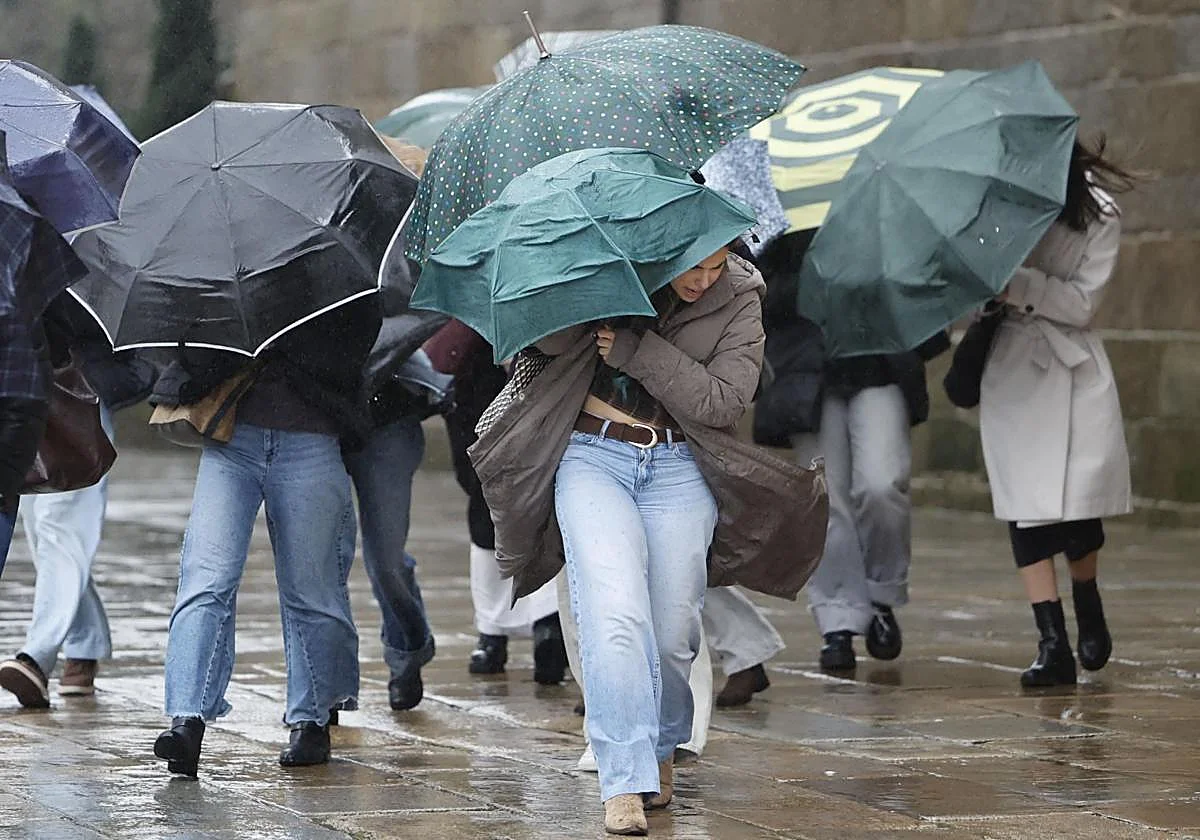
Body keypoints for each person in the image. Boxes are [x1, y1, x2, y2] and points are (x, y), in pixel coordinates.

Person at [471, 245, 824, 835]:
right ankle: (624, 776)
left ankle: (661, 745)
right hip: (590, 456)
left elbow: (723, 401)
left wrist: (639, 351)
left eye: (716, 265)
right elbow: (537, 349)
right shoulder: (604, 268)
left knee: (670, 632)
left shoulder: (740, 294)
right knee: (612, 615)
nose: (703, 279)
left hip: (680, 465)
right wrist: (581, 290)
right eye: (693, 266)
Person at [152, 295, 379, 777]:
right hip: (230, 441)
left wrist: (278, 337)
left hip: (311, 439)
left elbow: (355, 348)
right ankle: (186, 720)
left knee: (310, 588)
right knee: (205, 577)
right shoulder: (220, 260)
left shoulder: (334, 268)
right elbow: (186, 348)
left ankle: (311, 718)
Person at [978, 137, 1133, 688]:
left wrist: (1018, 282)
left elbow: (1083, 305)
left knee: (1078, 510)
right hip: (1014, 366)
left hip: (1072, 368)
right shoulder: (995, 205)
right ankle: (1053, 644)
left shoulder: (1099, 211)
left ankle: (1087, 602)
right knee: (1024, 507)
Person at [0, 295, 157, 707]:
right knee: (43, 530)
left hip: (77, 390)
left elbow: (116, 324)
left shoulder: (92, 249)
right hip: (22, 391)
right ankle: (85, 644)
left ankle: (37, 657)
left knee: (58, 527)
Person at [425, 319, 566, 683]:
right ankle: (493, 627)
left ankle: (548, 622)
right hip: (476, 374)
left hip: (546, 367)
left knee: (546, 501)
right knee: (485, 504)